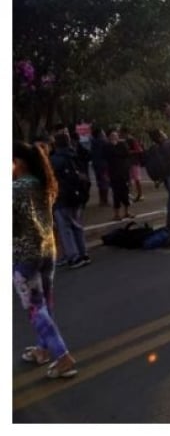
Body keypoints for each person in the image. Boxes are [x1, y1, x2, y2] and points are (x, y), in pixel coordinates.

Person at [13, 140, 78, 378]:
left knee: (34, 308)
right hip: (47, 250)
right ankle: (42, 349)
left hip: (24, 255)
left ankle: (62, 356)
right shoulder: (44, 184)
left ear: (17, 162)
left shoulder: (16, 188)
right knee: (45, 304)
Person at [49, 132, 90, 269]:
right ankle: (83, 253)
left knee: (65, 228)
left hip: (62, 197)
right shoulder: (75, 155)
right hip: (77, 196)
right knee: (77, 225)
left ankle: (73, 256)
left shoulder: (54, 159)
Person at [149, 129, 170, 229]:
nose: (165, 133)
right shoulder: (169, 143)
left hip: (164, 176)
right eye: (163, 132)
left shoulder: (154, 148)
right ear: (160, 136)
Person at [104, 129, 133, 222]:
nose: (114, 138)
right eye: (112, 136)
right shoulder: (107, 147)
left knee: (126, 193)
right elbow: (107, 157)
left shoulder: (122, 145)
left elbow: (127, 154)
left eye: (115, 136)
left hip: (123, 172)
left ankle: (127, 212)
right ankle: (116, 214)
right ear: (109, 138)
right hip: (113, 174)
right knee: (116, 194)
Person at [89, 126, 109, 207]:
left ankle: (101, 200)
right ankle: (105, 200)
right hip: (104, 164)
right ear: (100, 134)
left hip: (96, 164)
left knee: (99, 182)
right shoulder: (104, 142)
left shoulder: (93, 142)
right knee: (105, 182)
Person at [124, 129, 144, 203]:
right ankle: (129, 195)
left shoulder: (132, 140)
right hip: (128, 163)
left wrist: (130, 152)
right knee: (129, 180)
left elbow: (139, 150)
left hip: (134, 162)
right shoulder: (124, 140)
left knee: (137, 179)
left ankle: (140, 194)